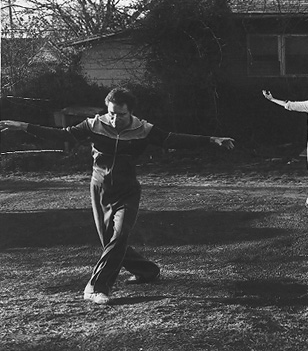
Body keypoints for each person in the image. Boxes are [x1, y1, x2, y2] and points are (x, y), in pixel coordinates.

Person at [0, 87, 235, 305]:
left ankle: (96, 287)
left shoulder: (143, 129)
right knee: (109, 240)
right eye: (111, 113)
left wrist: (212, 140)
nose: (114, 119)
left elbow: (174, 139)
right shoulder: (94, 125)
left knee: (120, 235)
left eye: (120, 114)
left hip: (128, 190)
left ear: (131, 112)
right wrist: (25, 126)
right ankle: (147, 270)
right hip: (100, 188)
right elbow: (63, 135)